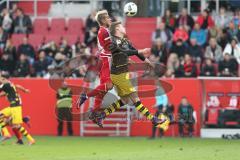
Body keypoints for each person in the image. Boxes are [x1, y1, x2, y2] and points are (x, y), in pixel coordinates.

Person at [92, 21, 166, 128]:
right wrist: (138, 52)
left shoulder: (126, 41)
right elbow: (124, 52)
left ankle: (101, 115)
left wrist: (145, 60)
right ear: (117, 29)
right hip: (117, 75)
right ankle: (153, 119)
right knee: (135, 98)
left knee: (125, 100)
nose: (123, 27)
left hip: (123, 74)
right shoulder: (113, 42)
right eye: (121, 26)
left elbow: (133, 51)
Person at [77, 10, 113, 116]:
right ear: (102, 20)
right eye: (107, 17)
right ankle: (86, 96)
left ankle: (95, 110)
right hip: (106, 60)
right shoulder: (104, 31)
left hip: (103, 60)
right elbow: (111, 47)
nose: (109, 19)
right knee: (108, 86)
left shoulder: (104, 30)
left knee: (104, 88)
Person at [0, 75, 35, 145]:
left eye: (1, 79)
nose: (0, 81)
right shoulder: (10, 85)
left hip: (15, 106)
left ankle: (31, 139)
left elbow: (2, 91)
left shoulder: (5, 85)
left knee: (15, 126)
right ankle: (7, 134)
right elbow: (16, 86)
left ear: (4, 79)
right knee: (2, 116)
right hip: (12, 106)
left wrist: (25, 90)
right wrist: (25, 90)